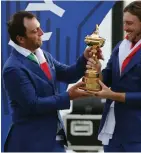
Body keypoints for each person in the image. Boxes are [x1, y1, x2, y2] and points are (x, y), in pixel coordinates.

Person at [2, 11, 98, 152]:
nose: (41, 33)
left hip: (53, 138)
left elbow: (68, 74)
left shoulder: (43, 55)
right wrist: (68, 96)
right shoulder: (13, 68)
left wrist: (85, 58)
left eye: (39, 28)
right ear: (21, 39)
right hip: (31, 142)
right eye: (35, 31)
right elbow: (33, 105)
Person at [87, 1, 141, 152]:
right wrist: (97, 72)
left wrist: (112, 95)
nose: (125, 28)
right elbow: (108, 77)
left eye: (130, 23)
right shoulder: (120, 46)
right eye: (124, 23)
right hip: (113, 133)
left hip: (138, 138)